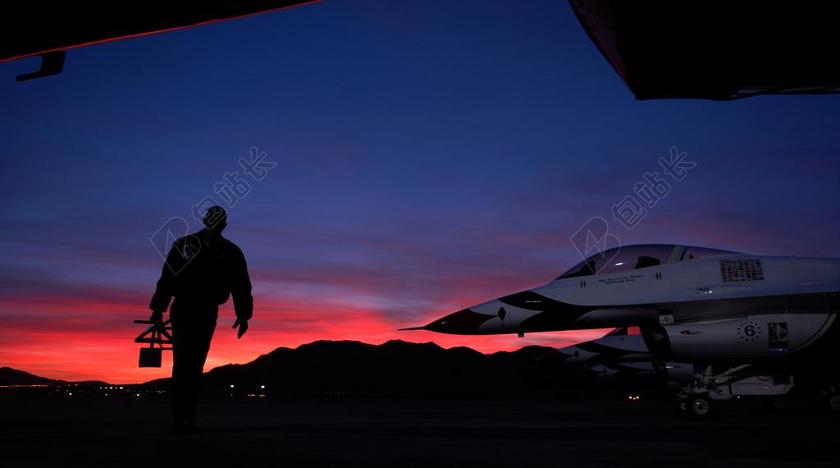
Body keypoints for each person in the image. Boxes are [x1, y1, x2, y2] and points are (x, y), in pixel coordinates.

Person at [149, 205, 253, 433]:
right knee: (182, 363)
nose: (215, 223)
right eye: (212, 218)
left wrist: (243, 314)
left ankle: (188, 418)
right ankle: (179, 419)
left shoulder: (231, 252)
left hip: (207, 309)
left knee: (195, 365)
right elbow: (168, 277)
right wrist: (158, 309)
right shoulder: (184, 244)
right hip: (184, 307)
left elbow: (241, 284)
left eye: (219, 220)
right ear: (206, 220)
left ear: (223, 224)